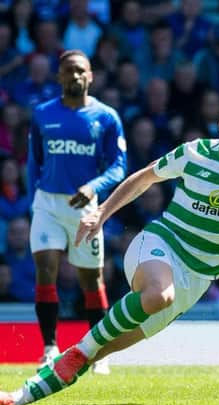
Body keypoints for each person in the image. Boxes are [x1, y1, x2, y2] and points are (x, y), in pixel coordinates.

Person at [0, 92, 219, 405]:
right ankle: (79, 351)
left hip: (198, 278)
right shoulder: (194, 154)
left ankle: (25, 394)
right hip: (160, 245)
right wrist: (102, 212)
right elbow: (144, 177)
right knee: (159, 295)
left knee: (101, 349)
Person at [26, 50, 127, 375]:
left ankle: (98, 352)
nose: (75, 76)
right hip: (48, 204)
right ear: (59, 76)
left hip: (86, 206)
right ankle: (49, 348)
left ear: (91, 75)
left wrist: (94, 186)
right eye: (68, 71)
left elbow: (119, 166)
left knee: (90, 279)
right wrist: (34, 201)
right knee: (46, 268)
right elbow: (34, 162)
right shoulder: (42, 114)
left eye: (81, 71)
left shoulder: (106, 117)